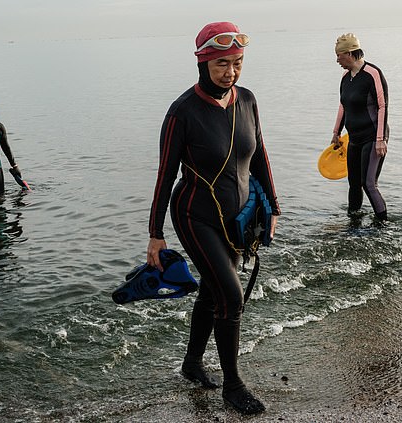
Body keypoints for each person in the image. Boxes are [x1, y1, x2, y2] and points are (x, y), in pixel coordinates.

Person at [146, 22, 280, 415]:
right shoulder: (182, 112)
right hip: (194, 214)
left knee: (213, 291)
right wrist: (156, 234)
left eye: (237, 62)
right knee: (231, 294)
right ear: (204, 62)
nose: (231, 71)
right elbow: (165, 174)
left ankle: (191, 365)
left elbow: (259, 157)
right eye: (223, 63)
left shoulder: (248, 100)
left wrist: (271, 206)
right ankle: (233, 386)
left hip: (238, 217)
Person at [331, 33, 389, 222]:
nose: (337, 60)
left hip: (373, 137)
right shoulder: (345, 77)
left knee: (368, 183)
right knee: (354, 183)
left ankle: (383, 225)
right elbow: (343, 105)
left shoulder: (372, 73)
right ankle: (353, 223)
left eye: (339, 55)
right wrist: (336, 133)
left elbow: (382, 106)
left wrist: (380, 140)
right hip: (354, 138)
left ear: (349, 53)